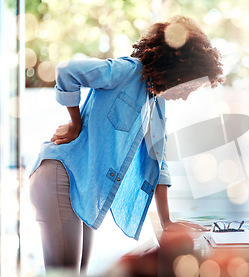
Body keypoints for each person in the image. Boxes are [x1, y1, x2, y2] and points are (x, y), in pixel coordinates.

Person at [29, 15, 224, 274]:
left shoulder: (157, 103)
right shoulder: (126, 71)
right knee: (64, 273)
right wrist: (75, 123)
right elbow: (67, 71)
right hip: (62, 176)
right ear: (179, 70)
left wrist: (167, 221)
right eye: (190, 87)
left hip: (86, 188)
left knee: (77, 272)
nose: (187, 96)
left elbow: (158, 161)